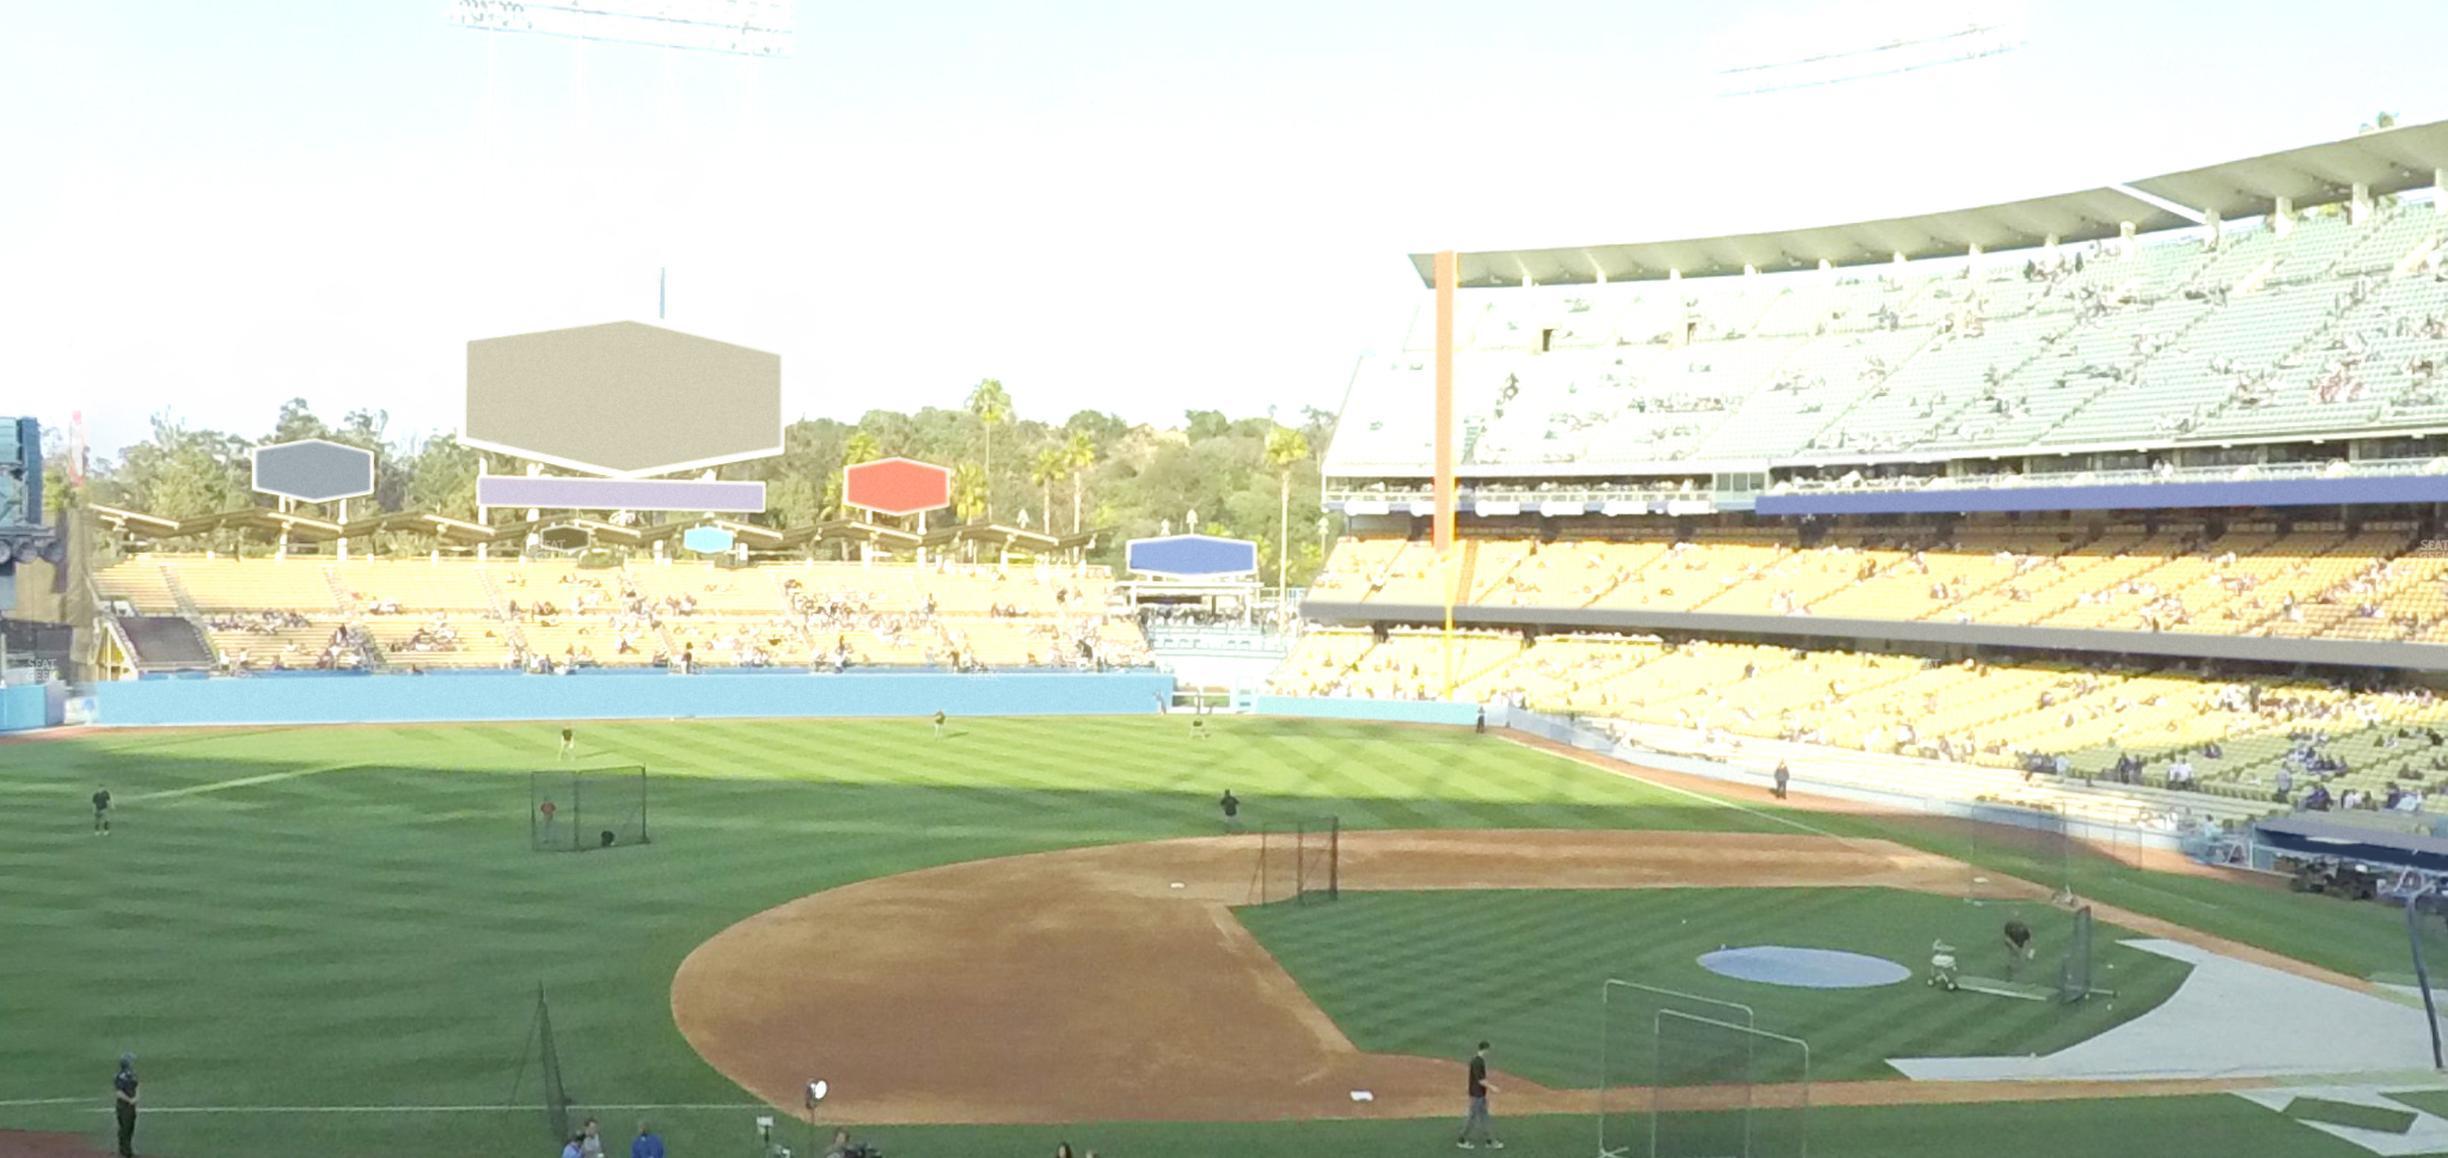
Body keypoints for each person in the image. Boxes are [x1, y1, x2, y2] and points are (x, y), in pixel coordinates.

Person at [1457, 1040, 1501, 1149]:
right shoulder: (1478, 1062)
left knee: (1484, 1117)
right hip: (1477, 1095)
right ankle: (1461, 1139)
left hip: (1479, 1094)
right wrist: (1492, 1087)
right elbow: (1480, 1080)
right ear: (1485, 1049)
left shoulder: (1477, 1061)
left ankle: (1490, 1141)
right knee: (1472, 1117)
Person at [112, 1053, 138, 1158]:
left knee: (130, 1128)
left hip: (131, 1106)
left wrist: (136, 1098)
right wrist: (130, 1100)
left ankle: (127, 1149)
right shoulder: (120, 1077)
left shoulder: (132, 1074)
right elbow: (118, 1092)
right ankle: (125, 1152)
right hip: (123, 1106)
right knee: (124, 1129)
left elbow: (137, 1086)